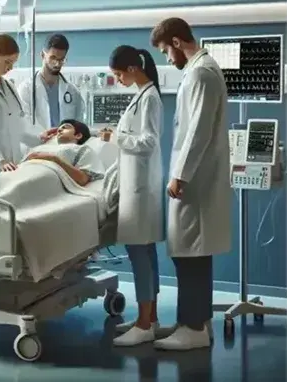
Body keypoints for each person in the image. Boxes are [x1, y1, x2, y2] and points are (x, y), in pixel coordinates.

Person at [149, 17, 231, 351]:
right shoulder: (203, 69)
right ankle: (195, 322)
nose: (167, 58)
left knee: (190, 255)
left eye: (166, 50)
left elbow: (196, 131)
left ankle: (194, 327)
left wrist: (179, 175)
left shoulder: (200, 73)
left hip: (194, 180)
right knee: (194, 253)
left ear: (178, 42)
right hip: (199, 177)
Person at [98, 45, 164, 347]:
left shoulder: (149, 97)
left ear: (132, 69)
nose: (118, 80)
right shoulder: (142, 95)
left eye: (118, 75)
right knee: (146, 254)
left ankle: (144, 322)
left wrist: (116, 138)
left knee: (141, 255)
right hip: (138, 185)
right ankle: (150, 319)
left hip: (140, 189)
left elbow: (148, 141)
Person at [0, 33, 56, 185]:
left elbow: (17, 126)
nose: (10, 67)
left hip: (13, 165)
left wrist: (39, 138)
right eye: (7, 62)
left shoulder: (10, 87)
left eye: (13, 62)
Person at [17, 33, 85, 133]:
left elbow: (80, 125)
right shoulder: (26, 89)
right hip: (37, 146)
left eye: (62, 60)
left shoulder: (72, 91)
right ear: (42, 55)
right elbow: (23, 125)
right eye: (53, 58)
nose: (57, 64)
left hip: (65, 146)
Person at [23, 119, 103, 187]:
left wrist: (54, 159)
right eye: (58, 130)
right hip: (20, 173)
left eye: (65, 127)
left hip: (39, 179)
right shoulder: (41, 147)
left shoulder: (82, 149)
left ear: (78, 135)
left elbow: (82, 179)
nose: (59, 130)